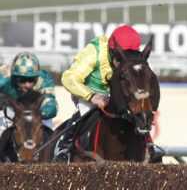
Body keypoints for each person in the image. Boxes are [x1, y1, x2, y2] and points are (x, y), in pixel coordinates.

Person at [53, 24, 164, 163]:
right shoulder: (95, 51)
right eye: (117, 57)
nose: (119, 62)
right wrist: (92, 96)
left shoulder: (135, 61)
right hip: (90, 93)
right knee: (83, 110)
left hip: (117, 96)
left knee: (136, 112)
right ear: (111, 50)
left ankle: (149, 144)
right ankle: (64, 148)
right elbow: (69, 78)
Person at [0, 52, 58, 161]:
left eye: (31, 80)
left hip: (35, 112)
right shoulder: (3, 75)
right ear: (14, 75)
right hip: (11, 109)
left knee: (53, 136)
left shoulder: (44, 79)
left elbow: (52, 107)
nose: (27, 84)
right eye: (22, 80)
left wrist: (38, 115)